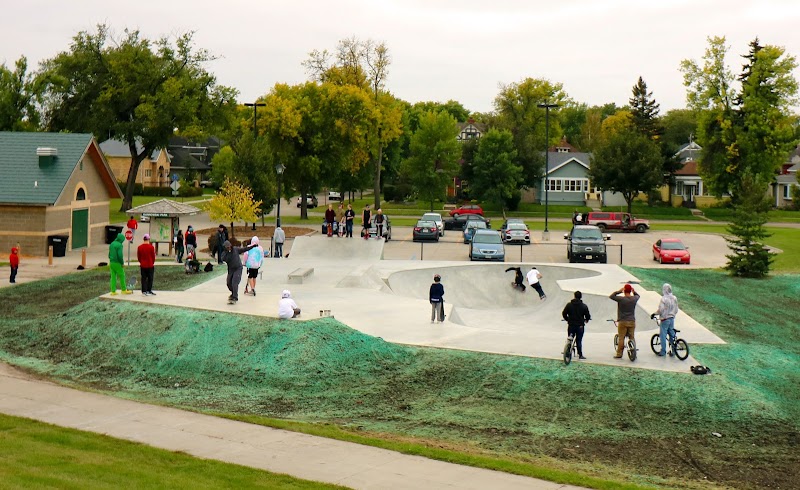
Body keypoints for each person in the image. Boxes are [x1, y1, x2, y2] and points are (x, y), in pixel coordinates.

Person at [221, 239, 257, 304]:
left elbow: (245, 249)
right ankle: (233, 293)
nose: (229, 248)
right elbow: (224, 259)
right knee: (229, 283)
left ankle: (235, 297)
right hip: (231, 269)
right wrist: (228, 252)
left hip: (238, 268)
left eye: (229, 246)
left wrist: (252, 246)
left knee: (235, 282)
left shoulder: (235, 249)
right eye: (227, 247)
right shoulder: (224, 254)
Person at [610, 284, 641, 358]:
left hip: (622, 321)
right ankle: (633, 352)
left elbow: (611, 296)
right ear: (630, 291)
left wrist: (619, 291)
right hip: (632, 321)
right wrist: (634, 291)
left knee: (621, 338)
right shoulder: (634, 299)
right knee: (632, 337)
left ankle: (619, 354)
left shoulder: (621, 299)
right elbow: (638, 296)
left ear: (624, 291)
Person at [562, 291, 591, 360]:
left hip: (571, 325)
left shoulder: (569, 305)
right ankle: (580, 354)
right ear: (580, 297)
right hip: (580, 326)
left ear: (574, 296)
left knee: (570, 338)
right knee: (578, 340)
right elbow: (587, 316)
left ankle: (567, 351)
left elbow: (564, 313)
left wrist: (567, 319)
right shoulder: (584, 306)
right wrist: (586, 320)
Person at [654, 283, 679, 356]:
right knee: (671, 334)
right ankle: (673, 351)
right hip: (672, 318)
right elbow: (676, 309)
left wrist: (655, 313)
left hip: (665, 319)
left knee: (663, 335)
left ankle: (663, 351)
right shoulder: (674, 298)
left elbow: (661, 309)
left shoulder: (664, 299)